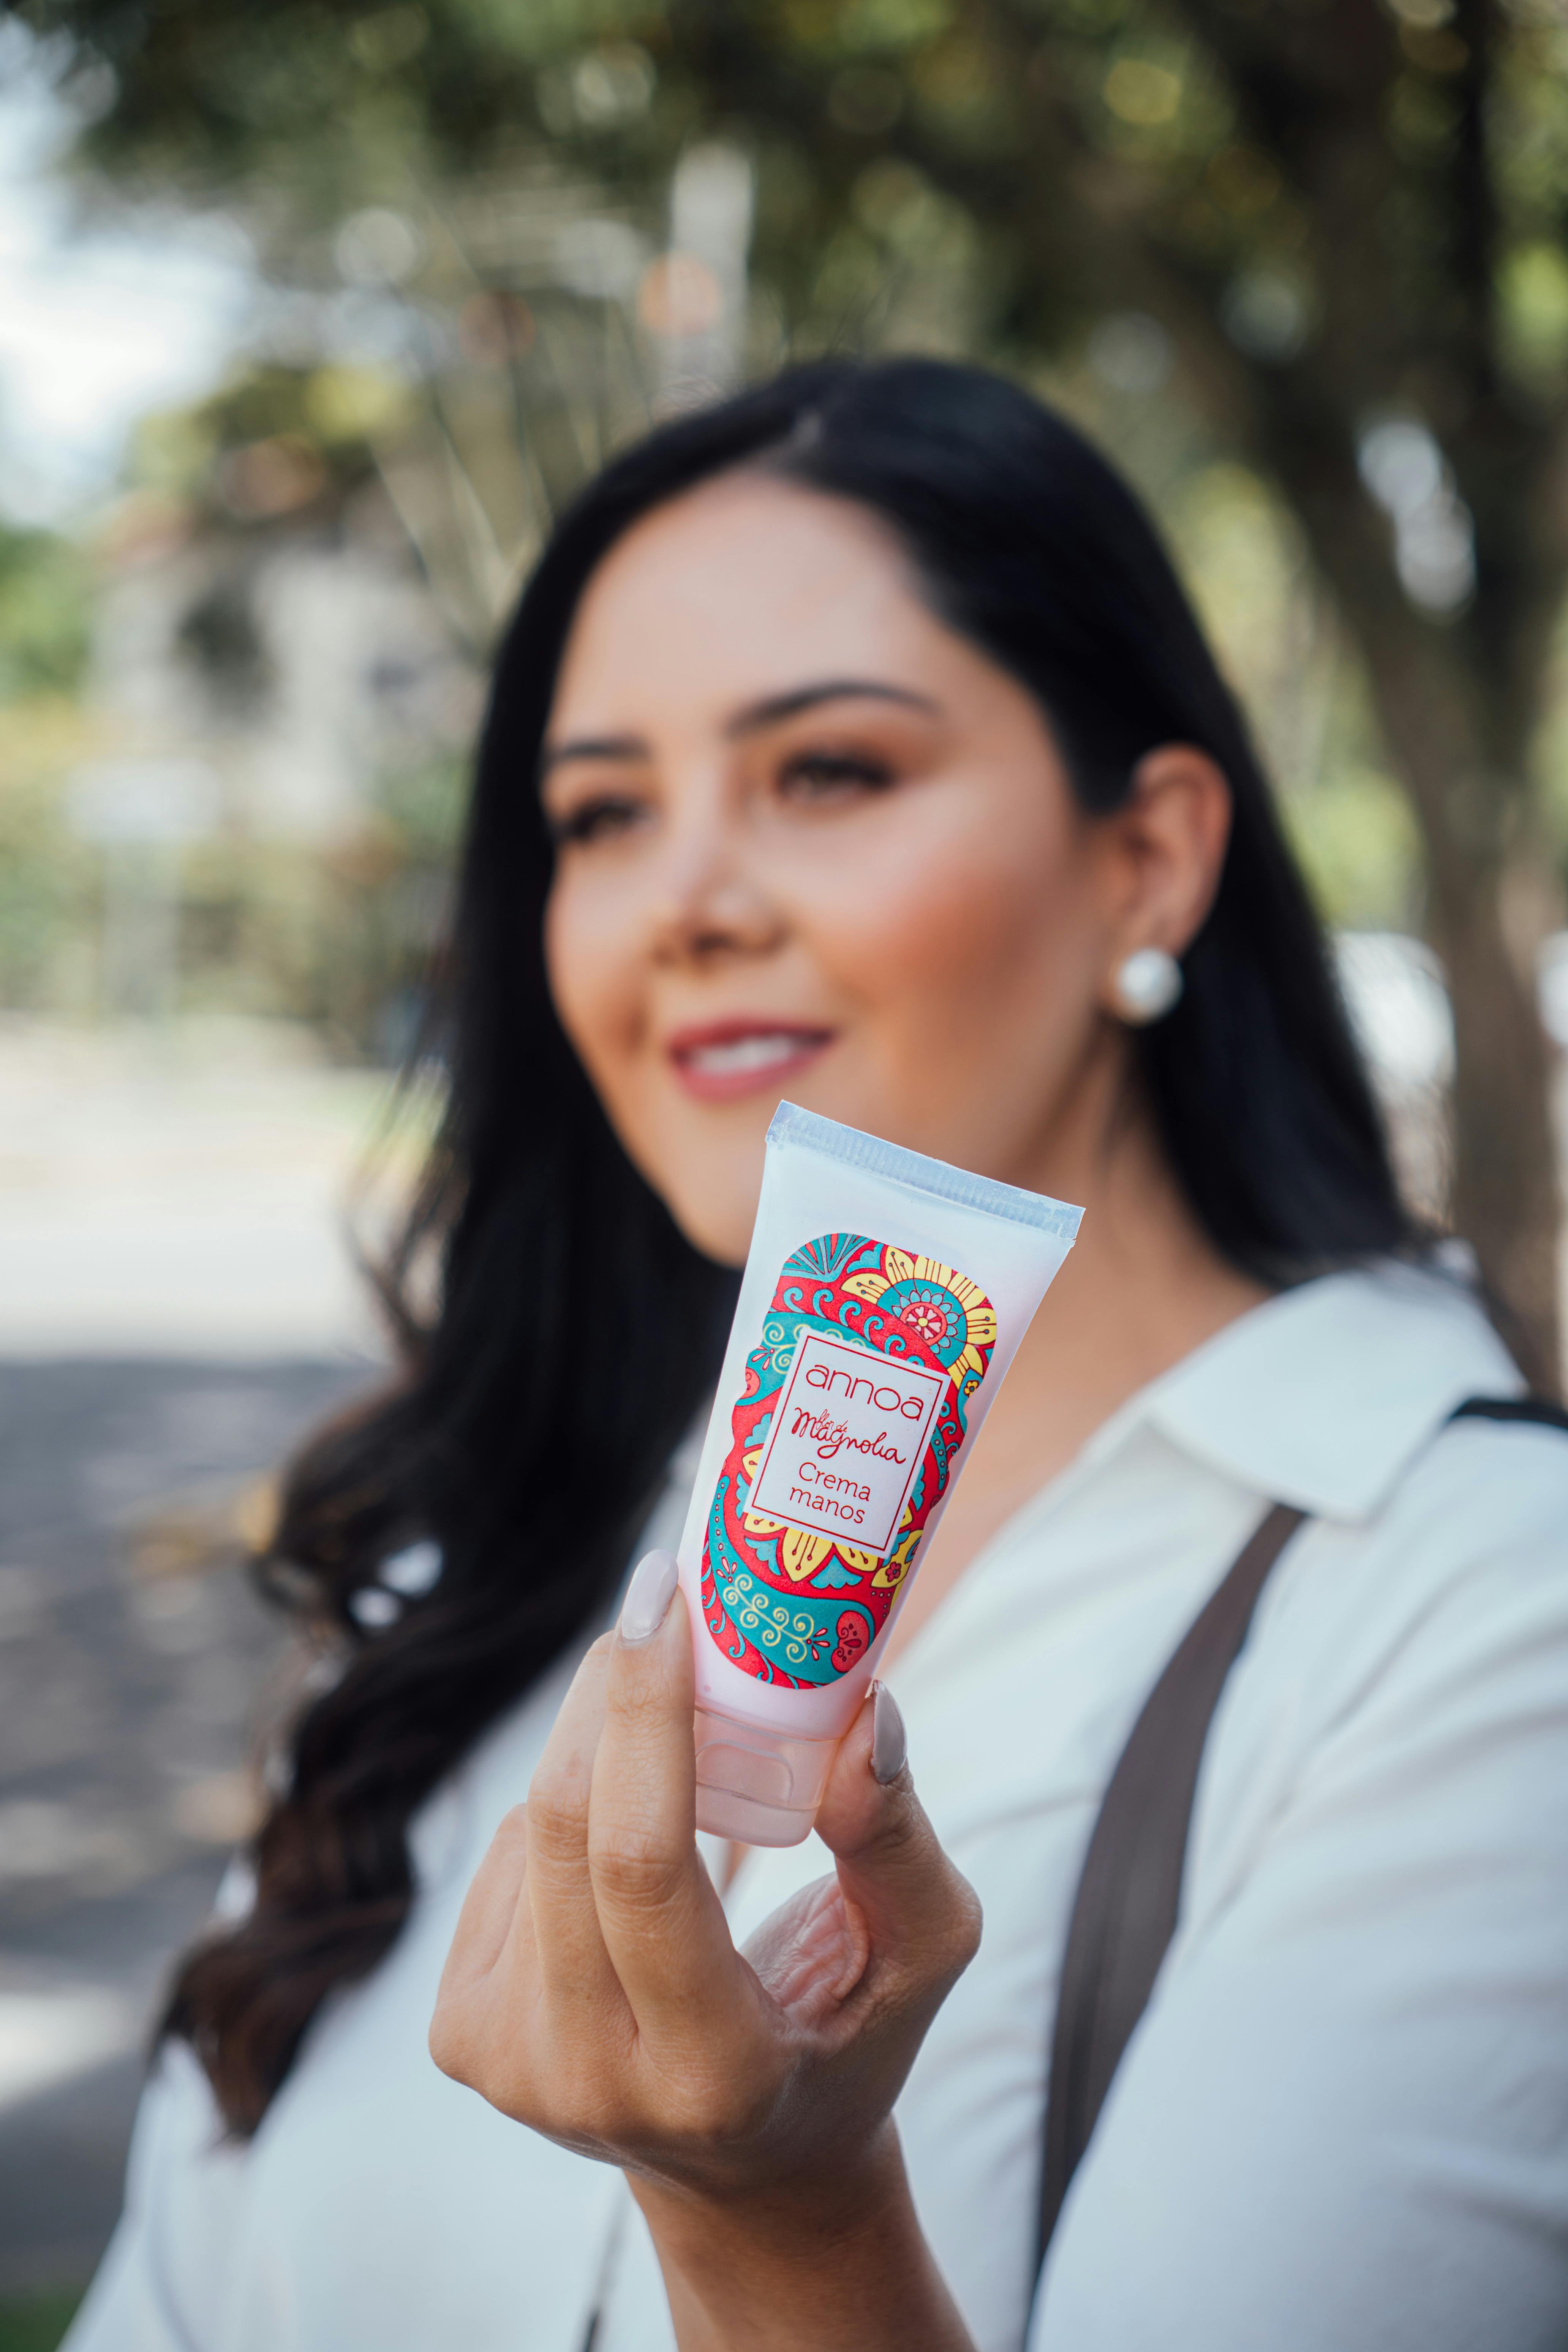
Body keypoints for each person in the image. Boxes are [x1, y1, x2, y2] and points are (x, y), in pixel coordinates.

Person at [67, 360, 1568, 2352]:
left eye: (831, 771)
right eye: (604, 813)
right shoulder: (492, 1544)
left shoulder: (1487, 1608)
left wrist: (782, 2227)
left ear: (1149, 856)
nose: (684, 903)